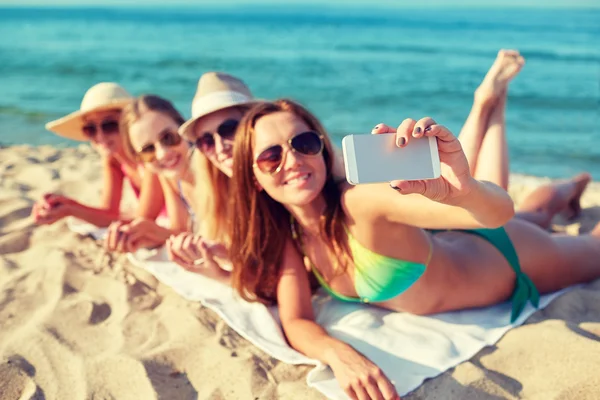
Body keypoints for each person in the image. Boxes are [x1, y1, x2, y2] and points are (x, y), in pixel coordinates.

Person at [226, 96, 600, 399]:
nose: (293, 161)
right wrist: (339, 355)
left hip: (512, 256)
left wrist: (464, 189)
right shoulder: (292, 236)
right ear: (254, 178)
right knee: (534, 212)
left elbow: (497, 214)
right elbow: (296, 320)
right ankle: (574, 184)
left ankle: (561, 186)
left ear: (323, 151)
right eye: (271, 156)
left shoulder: (360, 202)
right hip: (466, 245)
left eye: (303, 144)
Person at [31, 82, 165, 227]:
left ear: (128, 123)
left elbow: (143, 223)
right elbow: (109, 212)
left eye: (109, 125)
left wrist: (71, 209)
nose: (100, 136)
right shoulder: (113, 159)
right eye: (90, 128)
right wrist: (65, 204)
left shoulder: (150, 157)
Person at [165, 72, 257, 273]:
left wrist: (222, 274)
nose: (220, 147)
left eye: (229, 129)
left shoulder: (283, 182)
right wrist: (221, 253)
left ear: (253, 125)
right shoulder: (219, 189)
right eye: (206, 141)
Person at [104, 95, 198, 252]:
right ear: (139, 159)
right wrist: (144, 234)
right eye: (148, 149)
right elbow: (181, 231)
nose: (162, 153)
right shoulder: (169, 177)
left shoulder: (211, 166)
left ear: (183, 127)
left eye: (168, 138)